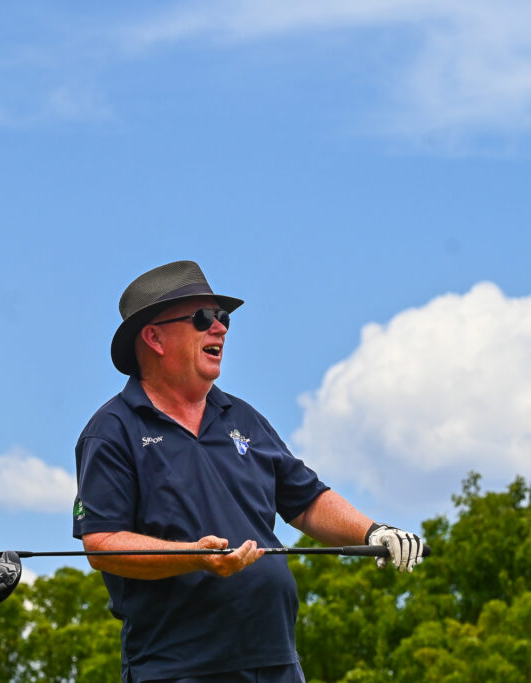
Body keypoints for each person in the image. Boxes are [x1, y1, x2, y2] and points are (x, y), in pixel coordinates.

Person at [72, 260, 425, 683]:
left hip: (277, 660)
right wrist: (196, 557)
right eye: (202, 317)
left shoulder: (243, 417)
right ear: (154, 338)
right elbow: (102, 544)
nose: (219, 328)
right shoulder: (112, 430)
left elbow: (306, 501)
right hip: (177, 668)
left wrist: (373, 533)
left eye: (222, 317)